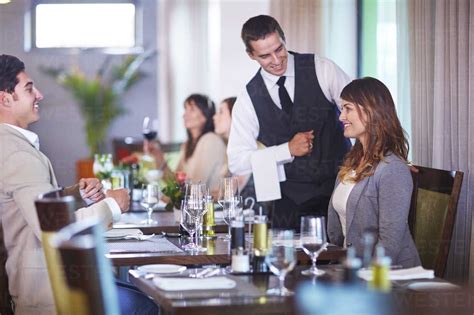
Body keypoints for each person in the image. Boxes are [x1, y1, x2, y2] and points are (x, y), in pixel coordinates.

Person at [0, 54, 130, 314]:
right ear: (5, 98)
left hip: (47, 285)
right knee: (149, 305)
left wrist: (77, 194)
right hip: (49, 295)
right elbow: (55, 228)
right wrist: (113, 206)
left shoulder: (13, 146)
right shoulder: (17, 154)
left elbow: (34, 203)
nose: (39, 94)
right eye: (28, 89)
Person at [227, 15, 351, 230]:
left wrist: (385, 153)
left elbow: (362, 112)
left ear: (284, 39)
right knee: (287, 262)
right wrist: (287, 150)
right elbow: (237, 161)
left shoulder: (322, 68)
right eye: (265, 56)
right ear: (251, 55)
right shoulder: (248, 98)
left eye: (279, 49)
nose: (276, 60)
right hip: (290, 202)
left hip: (340, 193)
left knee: (339, 261)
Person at [327, 77, 421, 268]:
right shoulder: (352, 161)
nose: (341, 116)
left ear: (370, 111)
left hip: (386, 278)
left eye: (348, 109)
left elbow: (389, 245)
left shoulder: (393, 169)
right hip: (351, 269)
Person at [146, 94, 226, 195]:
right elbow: (175, 182)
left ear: (205, 116)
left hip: (210, 208)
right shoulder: (188, 144)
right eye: (185, 109)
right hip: (191, 206)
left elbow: (197, 186)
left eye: (192, 110)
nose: (184, 114)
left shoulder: (210, 140)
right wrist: (159, 157)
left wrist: (164, 197)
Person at [213, 97, 269, 212]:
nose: (214, 117)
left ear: (236, 116)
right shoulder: (232, 158)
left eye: (221, 112)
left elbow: (265, 208)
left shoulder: (260, 154)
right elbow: (226, 205)